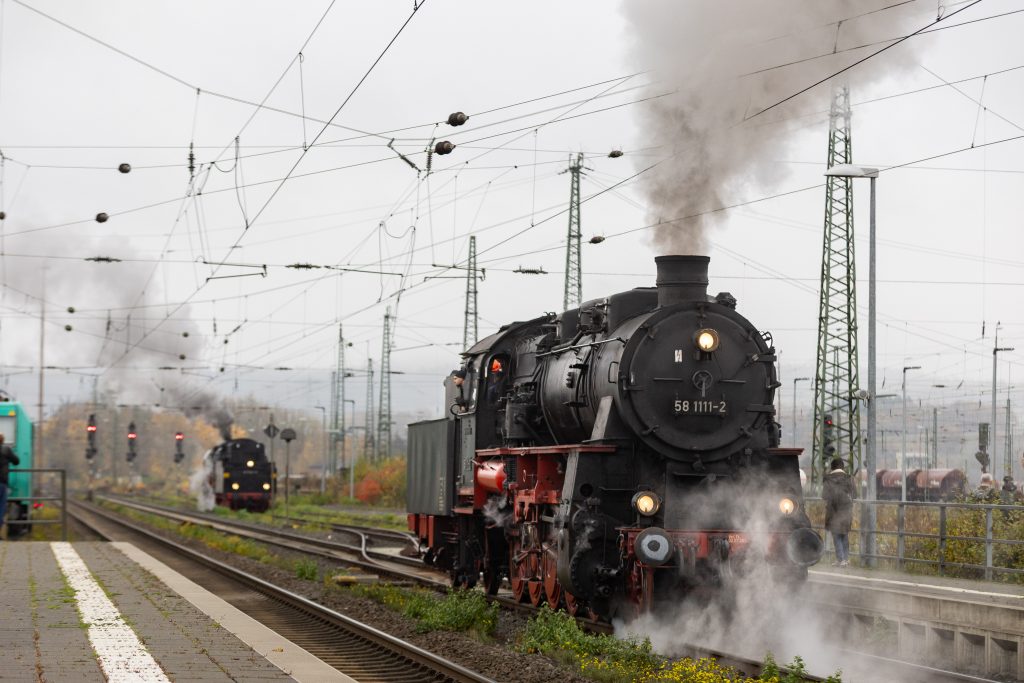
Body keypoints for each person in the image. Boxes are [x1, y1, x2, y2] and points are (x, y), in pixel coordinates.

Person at [823, 457, 856, 567]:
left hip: (833, 512)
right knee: (844, 535)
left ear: (832, 467)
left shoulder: (828, 479)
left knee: (836, 535)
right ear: (842, 467)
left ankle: (840, 559)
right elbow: (855, 495)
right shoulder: (849, 478)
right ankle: (845, 559)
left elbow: (824, 496)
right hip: (846, 511)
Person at [0, 433, 20, 539]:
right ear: (2, 441)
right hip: (2, 482)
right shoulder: (6, 450)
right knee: (1, 507)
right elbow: (16, 461)